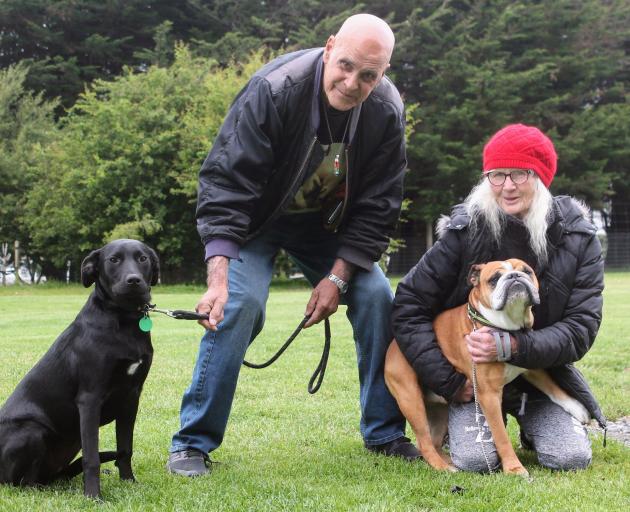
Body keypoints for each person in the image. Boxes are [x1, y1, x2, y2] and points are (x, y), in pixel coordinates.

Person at [166, 14, 419, 477]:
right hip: (256, 225)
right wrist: (218, 278)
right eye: (345, 65)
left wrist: (338, 278)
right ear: (328, 47)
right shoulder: (274, 89)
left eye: (369, 75)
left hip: (326, 230)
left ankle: (384, 431)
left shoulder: (385, 110)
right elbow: (226, 183)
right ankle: (191, 443)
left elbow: (380, 204)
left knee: (378, 298)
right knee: (238, 305)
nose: (352, 82)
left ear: (383, 73)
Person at [392, 124, 607, 473]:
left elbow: (580, 329)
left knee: (571, 458)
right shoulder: (464, 231)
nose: (507, 186)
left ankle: (532, 426)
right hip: (471, 380)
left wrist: (512, 347)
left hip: (537, 372)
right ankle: (465, 430)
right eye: (497, 174)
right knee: (477, 462)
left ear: (540, 176)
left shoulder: (578, 237)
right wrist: (448, 381)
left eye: (520, 173)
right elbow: (408, 307)